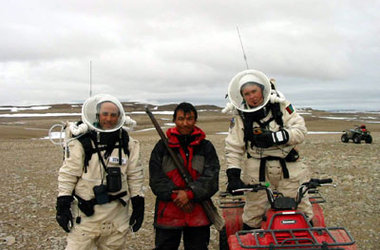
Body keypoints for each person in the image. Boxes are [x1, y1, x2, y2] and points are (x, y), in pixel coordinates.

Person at [224, 69, 312, 230]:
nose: (252, 96)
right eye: (247, 94)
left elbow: (300, 131)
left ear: (263, 89)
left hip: (288, 168)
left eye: (254, 91)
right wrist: (233, 175)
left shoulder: (282, 107)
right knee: (253, 213)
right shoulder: (240, 117)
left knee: (301, 208)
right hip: (257, 171)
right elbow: (234, 147)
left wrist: (275, 137)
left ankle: (308, 239)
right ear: (242, 96)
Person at [55, 94, 145, 249]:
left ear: (119, 117)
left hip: (117, 215)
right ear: (97, 115)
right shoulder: (81, 142)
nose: (109, 119)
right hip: (86, 216)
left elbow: (135, 175)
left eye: (113, 115)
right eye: (105, 114)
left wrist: (138, 203)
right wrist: (63, 203)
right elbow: (68, 174)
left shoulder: (127, 143)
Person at [149, 102, 220, 250]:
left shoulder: (206, 147)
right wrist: (176, 195)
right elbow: (156, 179)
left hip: (198, 212)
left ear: (195, 120)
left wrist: (190, 194)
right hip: (168, 213)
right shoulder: (162, 147)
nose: (185, 123)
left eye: (189, 119)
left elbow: (211, 177)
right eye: (181, 119)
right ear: (175, 120)